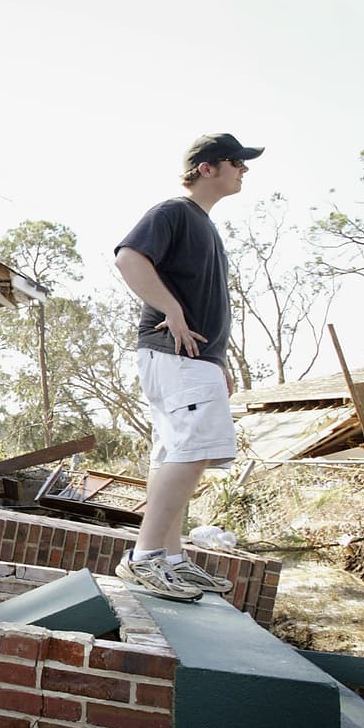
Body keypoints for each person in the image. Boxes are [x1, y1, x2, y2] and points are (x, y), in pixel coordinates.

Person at [113, 133, 264, 601]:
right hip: (175, 353)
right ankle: (144, 559)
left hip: (195, 360)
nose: (245, 170)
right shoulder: (173, 212)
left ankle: (172, 559)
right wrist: (172, 312)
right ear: (207, 168)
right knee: (192, 451)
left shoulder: (205, 225)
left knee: (179, 454)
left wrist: (218, 361)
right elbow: (128, 258)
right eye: (237, 162)